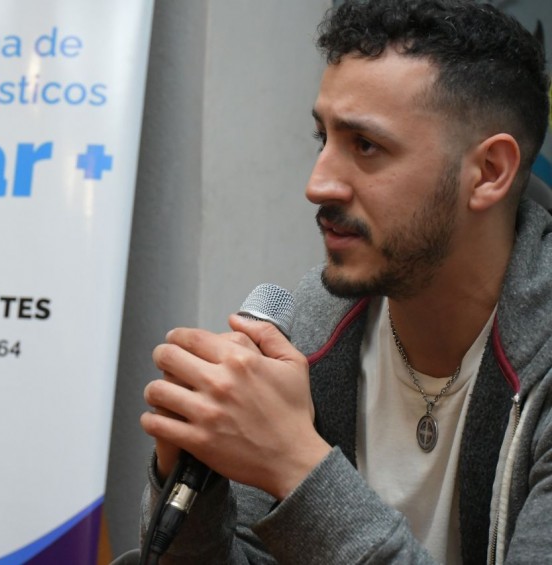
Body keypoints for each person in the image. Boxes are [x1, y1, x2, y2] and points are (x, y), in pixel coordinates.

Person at [139, 0, 552, 563]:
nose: (318, 184)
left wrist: (294, 465)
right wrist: (192, 481)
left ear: (489, 172)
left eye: (365, 146)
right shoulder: (310, 328)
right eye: (323, 139)